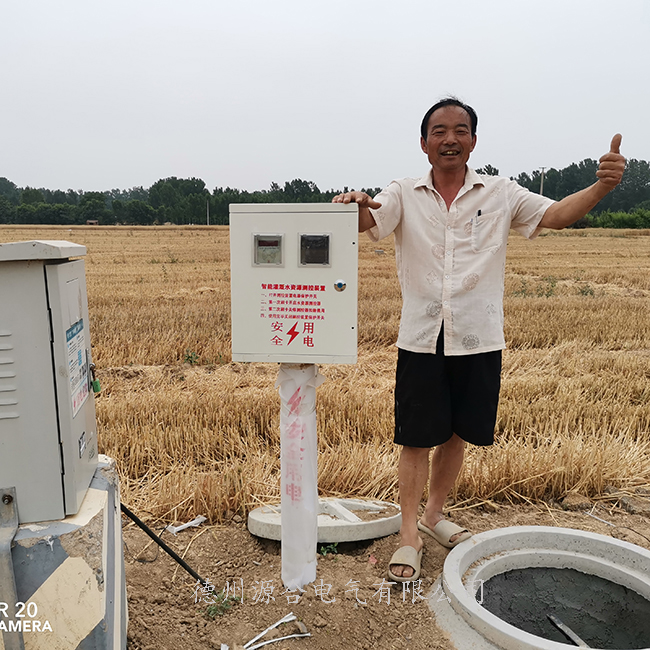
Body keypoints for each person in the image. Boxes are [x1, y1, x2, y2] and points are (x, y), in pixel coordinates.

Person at [332, 97, 625, 582]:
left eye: (461, 130)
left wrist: (601, 186)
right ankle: (408, 534)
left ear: (473, 140)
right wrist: (355, 205)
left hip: (479, 337)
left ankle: (433, 516)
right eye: (440, 131)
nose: (451, 138)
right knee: (414, 439)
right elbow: (370, 220)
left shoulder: (501, 193)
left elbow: (555, 215)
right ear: (424, 143)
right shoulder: (403, 192)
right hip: (422, 338)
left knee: (456, 434)